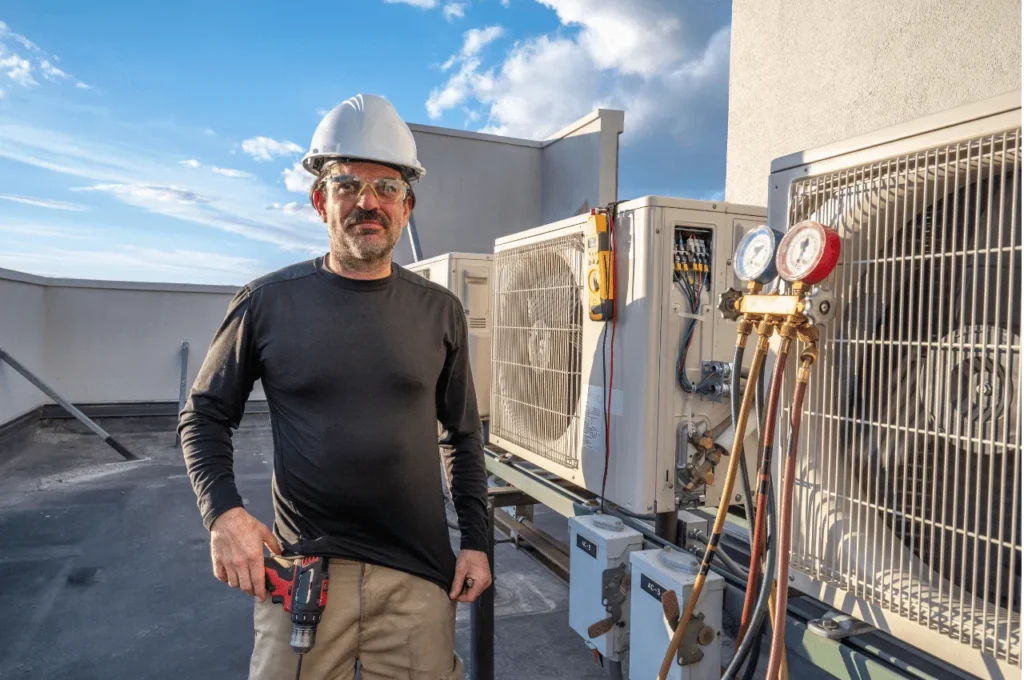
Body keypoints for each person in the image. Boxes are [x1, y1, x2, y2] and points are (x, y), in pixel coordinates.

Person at [178, 93, 491, 680]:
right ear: (320, 200)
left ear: (407, 206)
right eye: (348, 185)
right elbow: (203, 415)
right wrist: (223, 514)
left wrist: (476, 539)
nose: (367, 203)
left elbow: (463, 435)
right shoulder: (267, 303)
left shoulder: (440, 312)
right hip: (303, 576)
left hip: (418, 581)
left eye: (386, 189)